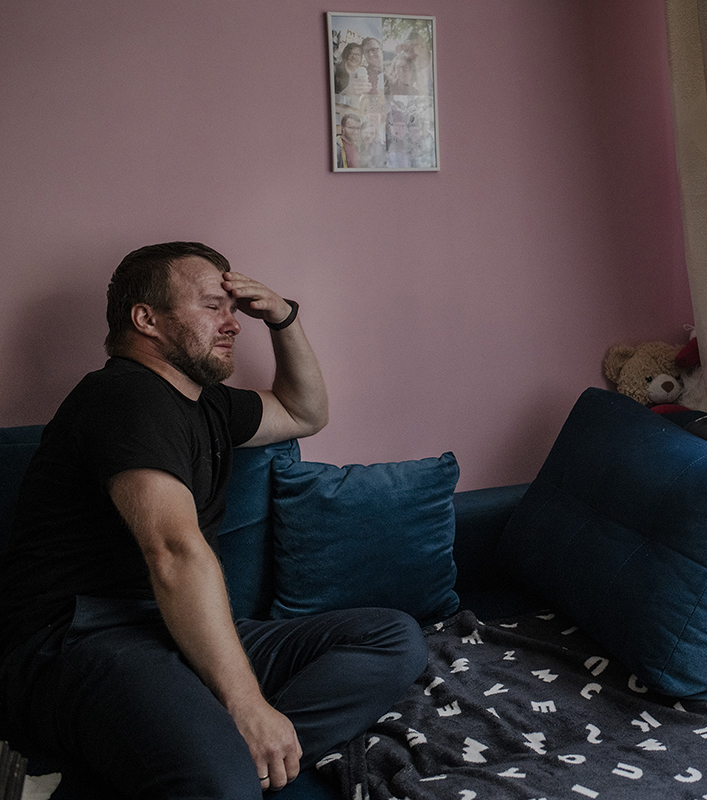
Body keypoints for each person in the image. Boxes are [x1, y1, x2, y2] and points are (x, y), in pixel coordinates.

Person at [0, 242, 427, 799]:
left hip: (176, 630)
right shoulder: (123, 397)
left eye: (234, 309)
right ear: (146, 319)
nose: (233, 324)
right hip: (81, 639)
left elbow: (305, 413)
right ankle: (216, 759)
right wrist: (246, 705)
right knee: (220, 778)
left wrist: (284, 317)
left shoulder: (207, 404)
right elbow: (174, 552)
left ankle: (232, 756)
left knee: (392, 637)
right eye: (212, 307)